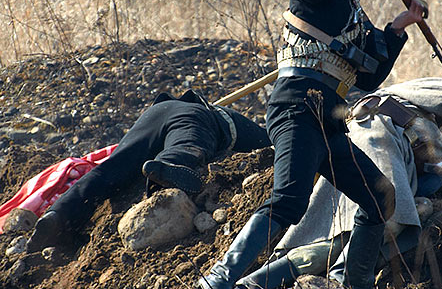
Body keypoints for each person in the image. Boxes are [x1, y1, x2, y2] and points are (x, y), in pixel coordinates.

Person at [197, 0, 425, 289]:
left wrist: (397, 28)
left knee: (380, 197)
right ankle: (218, 280)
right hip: (297, 109)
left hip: (328, 122)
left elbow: (369, 75)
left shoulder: (353, 13)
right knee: (289, 201)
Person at [231, 77, 442, 289]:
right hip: (379, 142)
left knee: (335, 236)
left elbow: (430, 178)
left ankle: (247, 286)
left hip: (354, 145)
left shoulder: (416, 125)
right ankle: (343, 282)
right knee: (391, 218)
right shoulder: (431, 89)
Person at [25, 89, 271, 252]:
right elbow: (277, 149)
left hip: (151, 116)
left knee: (111, 169)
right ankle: (171, 163)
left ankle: (59, 215)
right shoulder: (213, 116)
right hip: (197, 118)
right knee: (188, 144)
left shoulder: (163, 110)